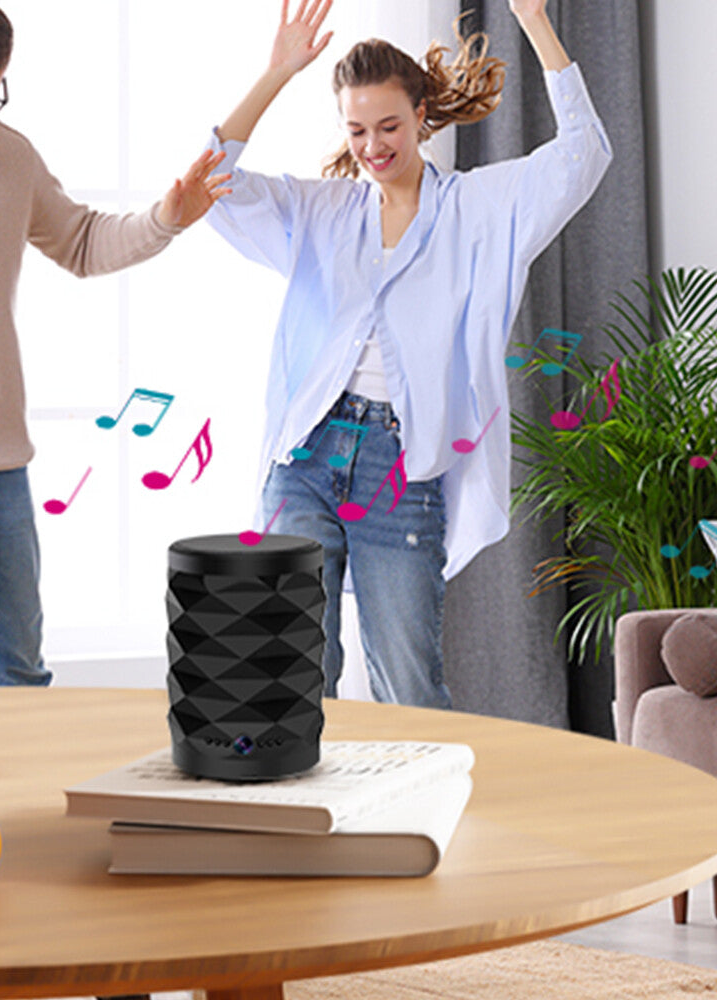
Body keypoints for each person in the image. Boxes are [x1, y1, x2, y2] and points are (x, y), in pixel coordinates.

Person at [205, 0, 612, 708]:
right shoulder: (322, 212)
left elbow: (584, 154)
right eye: (357, 130)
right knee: (289, 674)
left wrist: (535, 22)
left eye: (389, 126)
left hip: (398, 468)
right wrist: (276, 73)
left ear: (422, 116)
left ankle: (421, 789)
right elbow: (212, 183)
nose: (373, 146)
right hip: (304, 457)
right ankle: (302, 785)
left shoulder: (478, 210)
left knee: (410, 685)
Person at [0, 0, 230, 687]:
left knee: (19, 664)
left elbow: (81, 242)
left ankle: (7, 765)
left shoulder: (9, 157)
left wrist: (166, 219)